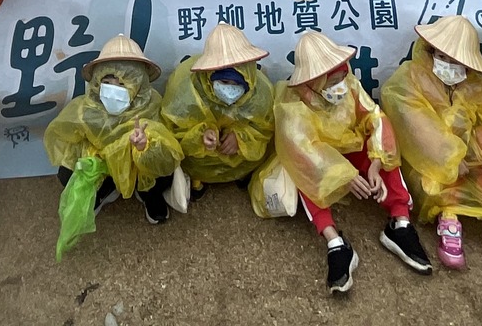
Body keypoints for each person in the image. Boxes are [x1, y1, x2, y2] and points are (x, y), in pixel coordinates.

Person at [253, 30, 431, 292]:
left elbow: (374, 117)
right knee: (302, 173)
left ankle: (400, 222)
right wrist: (344, 176)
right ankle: (335, 243)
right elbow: (305, 151)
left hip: (351, 145)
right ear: (313, 82)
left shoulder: (348, 84)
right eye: (331, 81)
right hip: (321, 159)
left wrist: (376, 162)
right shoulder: (293, 106)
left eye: (341, 77)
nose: (340, 85)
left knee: (384, 145)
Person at [379, 15, 482, 272]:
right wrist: (448, 158)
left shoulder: (480, 87)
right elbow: (413, 122)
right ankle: (449, 217)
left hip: (476, 163)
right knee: (438, 182)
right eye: (441, 57)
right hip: (433, 160)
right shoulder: (410, 77)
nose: (447, 64)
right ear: (430, 51)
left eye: (455, 61)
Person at [45, 35, 183, 248]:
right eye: (107, 83)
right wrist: (89, 155)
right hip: (104, 167)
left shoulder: (152, 105)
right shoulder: (85, 109)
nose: (113, 90)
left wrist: (144, 146)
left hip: (136, 168)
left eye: (122, 83)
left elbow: (167, 151)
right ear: (97, 83)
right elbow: (65, 139)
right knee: (67, 173)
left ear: (137, 84)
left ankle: (147, 194)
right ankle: (104, 190)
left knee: (163, 172)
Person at [160, 24, 277, 191]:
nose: (230, 88)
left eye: (237, 83)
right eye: (224, 82)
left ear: (249, 79)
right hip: (203, 160)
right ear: (209, 78)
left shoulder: (261, 94)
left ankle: (242, 173)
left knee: (252, 153)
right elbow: (174, 130)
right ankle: (198, 179)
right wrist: (201, 135)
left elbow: (265, 129)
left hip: (239, 159)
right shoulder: (187, 92)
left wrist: (241, 138)